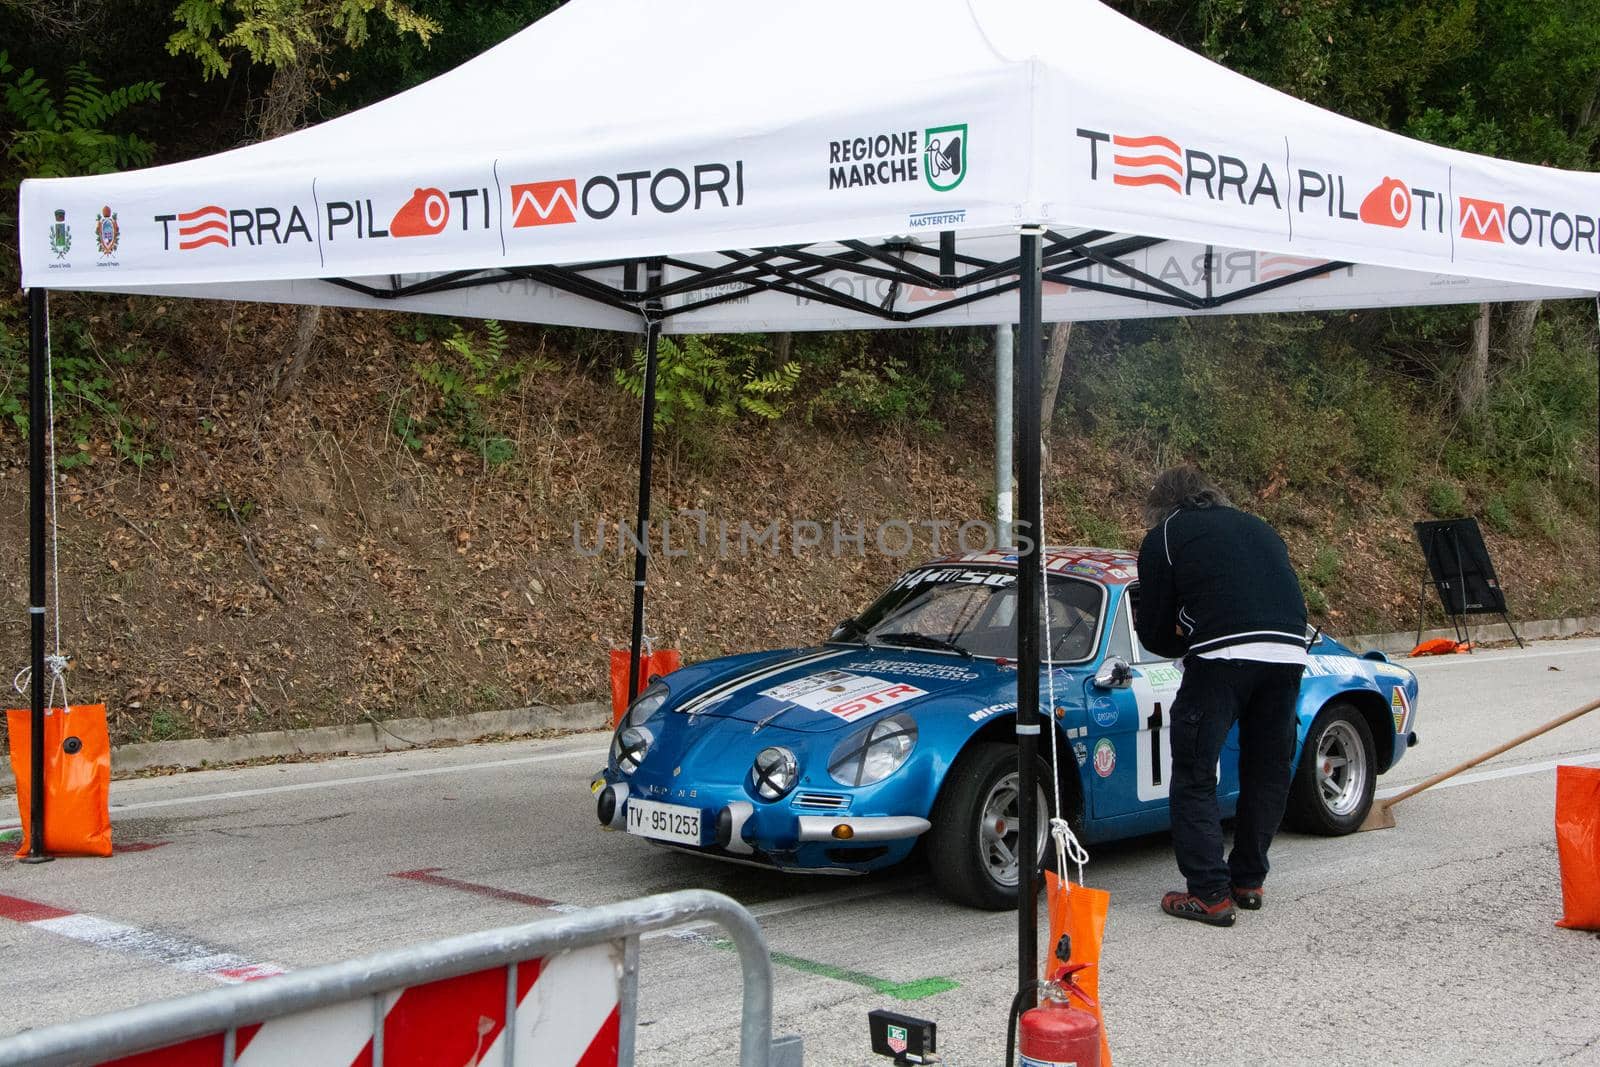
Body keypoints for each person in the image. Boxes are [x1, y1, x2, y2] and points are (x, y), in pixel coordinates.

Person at [1134, 466, 1308, 927]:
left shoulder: (1165, 537)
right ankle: (1248, 880)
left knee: (1193, 769)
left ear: (1161, 506)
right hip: (1289, 653)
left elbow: (1153, 631)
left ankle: (1209, 893)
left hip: (1222, 657)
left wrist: (1182, 644)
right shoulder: (1258, 526)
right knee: (1267, 769)